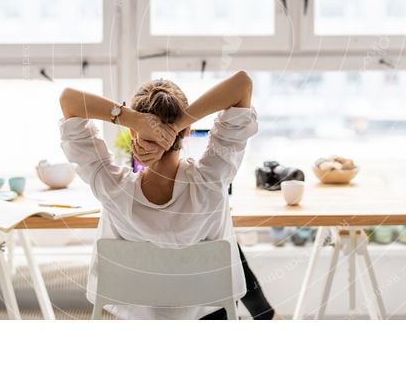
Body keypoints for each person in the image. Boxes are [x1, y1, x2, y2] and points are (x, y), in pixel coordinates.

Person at [59, 71, 274, 320]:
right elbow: (241, 84)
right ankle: (268, 315)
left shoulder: (111, 187)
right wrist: (175, 125)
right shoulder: (212, 179)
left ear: (132, 132)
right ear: (188, 131)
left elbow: (69, 100)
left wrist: (132, 119)